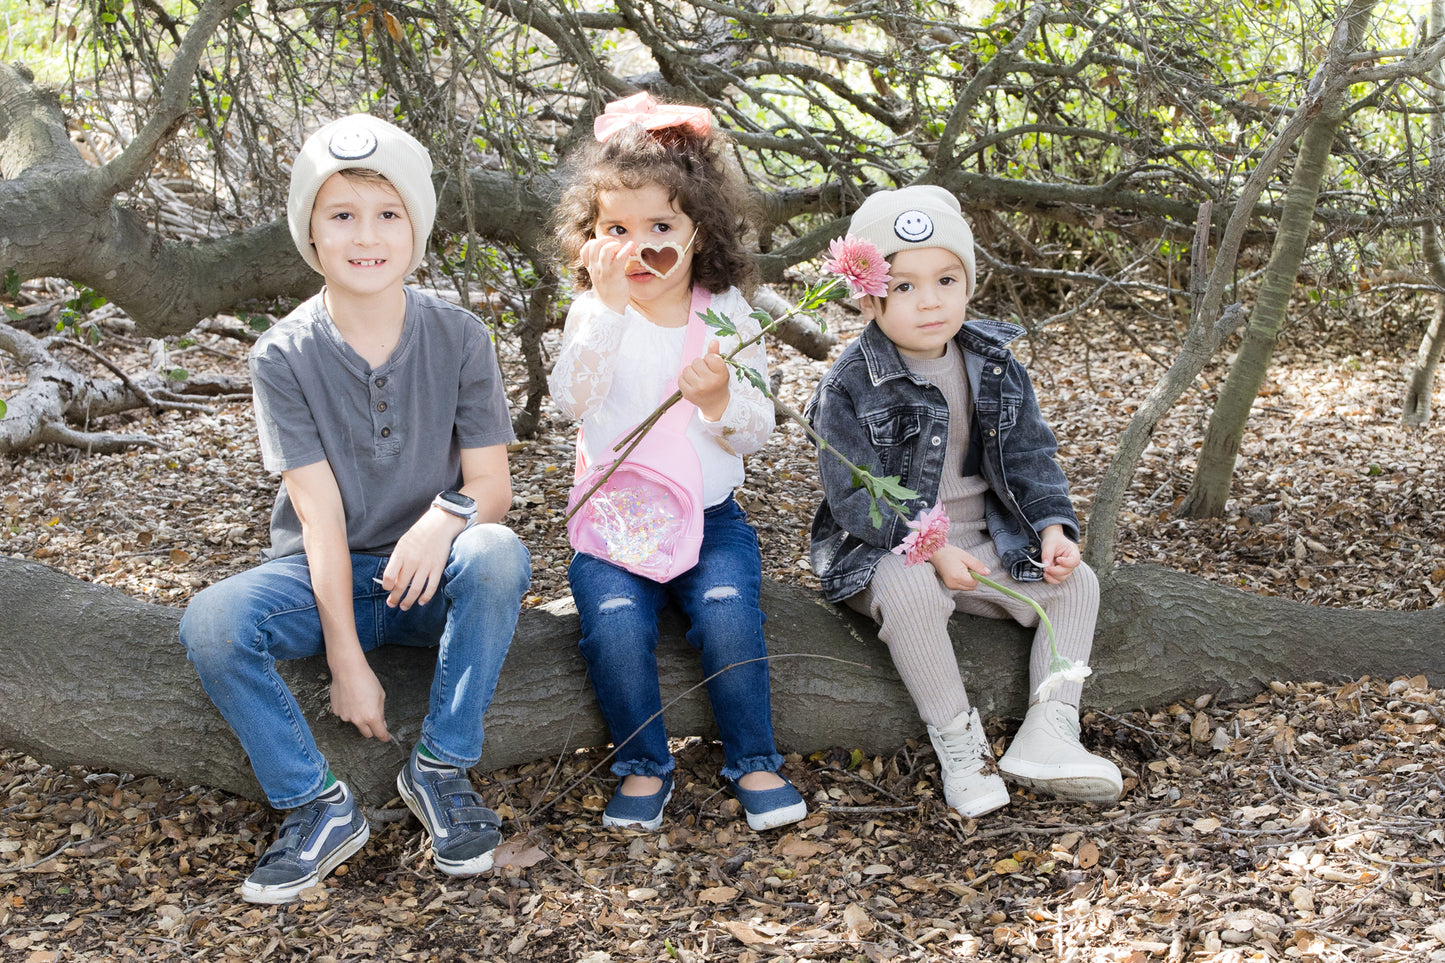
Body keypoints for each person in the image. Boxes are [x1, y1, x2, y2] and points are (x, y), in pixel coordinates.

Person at [179, 114, 531, 903]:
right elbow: (318, 516)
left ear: (417, 226)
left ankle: (440, 766)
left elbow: (493, 488)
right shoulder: (282, 353)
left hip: (428, 578)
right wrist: (345, 658)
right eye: (341, 214)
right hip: (320, 573)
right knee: (213, 621)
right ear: (310, 230)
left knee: (498, 550)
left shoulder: (460, 336)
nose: (365, 235)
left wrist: (444, 520)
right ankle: (316, 803)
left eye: (387, 213)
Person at [805, 186, 1123, 819]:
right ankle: (961, 746)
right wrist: (936, 549)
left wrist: (1053, 525)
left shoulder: (994, 362)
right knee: (915, 595)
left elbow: (1030, 454)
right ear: (868, 295)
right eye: (904, 286)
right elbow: (853, 500)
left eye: (947, 279)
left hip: (987, 537)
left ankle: (1049, 730)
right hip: (885, 547)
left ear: (968, 283)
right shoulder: (847, 384)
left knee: (1077, 584)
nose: (930, 300)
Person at [548, 93, 806, 833]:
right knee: (616, 622)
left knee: (728, 614)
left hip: (710, 517)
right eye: (615, 230)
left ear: (700, 231)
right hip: (613, 520)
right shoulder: (593, 310)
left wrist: (721, 398)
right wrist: (604, 311)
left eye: (660, 227)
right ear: (590, 238)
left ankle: (754, 757)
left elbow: (752, 433)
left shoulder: (726, 312)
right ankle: (641, 764)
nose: (639, 247)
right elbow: (572, 398)